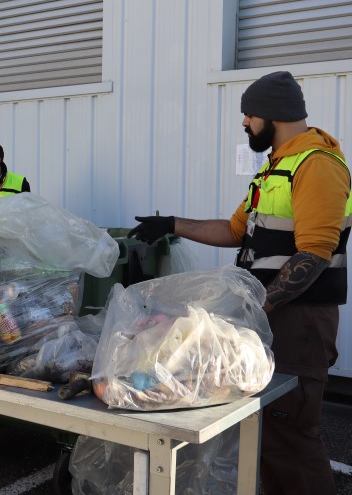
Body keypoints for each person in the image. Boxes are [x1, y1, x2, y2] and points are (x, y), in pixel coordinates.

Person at [128, 71, 350, 495]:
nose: (244, 123)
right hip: (268, 319)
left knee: (292, 434)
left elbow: (314, 254)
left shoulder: (317, 165)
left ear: (272, 115)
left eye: (248, 114)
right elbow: (234, 231)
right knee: (263, 430)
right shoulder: (275, 169)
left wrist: (255, 309)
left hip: (298, 322)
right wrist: (170, 223)